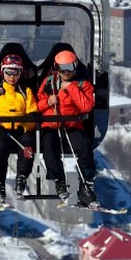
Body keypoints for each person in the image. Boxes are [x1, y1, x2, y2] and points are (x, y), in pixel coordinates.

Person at [37, 48, 98, 207]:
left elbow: (86, 106)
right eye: (62, 68)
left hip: (72, 124)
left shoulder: (83, 84)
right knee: (49, 145)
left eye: (70, 68)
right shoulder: (49, 83)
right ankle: (59, 181)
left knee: (84, 145)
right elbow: (37, 105)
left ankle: (86, 185)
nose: (66, 72)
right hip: (51, 124)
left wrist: (71, 87)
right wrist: (48, 102)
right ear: (56, 68)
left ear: (75, 67)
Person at [0, 53, 37, 204]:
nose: (12, 77)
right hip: (2, 131)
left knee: (28, 142)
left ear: (20, 73)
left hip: (20, 131)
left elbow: (32, 116)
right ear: (2, 72)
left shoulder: (25, 92)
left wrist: (23, 127)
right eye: (8, 73)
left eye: (15, 73)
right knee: (0, 146)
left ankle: (22, 178)